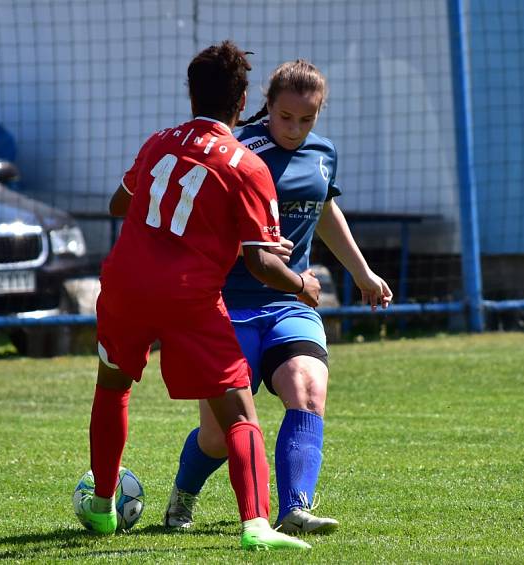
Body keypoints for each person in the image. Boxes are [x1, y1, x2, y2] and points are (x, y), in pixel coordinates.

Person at [79, 41, 321, 551]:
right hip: (189, 295)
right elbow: (260, 263)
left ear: (191, 94)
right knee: (238, 414)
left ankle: (101, 508)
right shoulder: (247, 165)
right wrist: (302, 283)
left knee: (113, 388)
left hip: (125, 284)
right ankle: (256, 525)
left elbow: (118, 205)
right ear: (242, 104)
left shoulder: (158, 143)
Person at [163, 59, 393, 534]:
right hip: (226, 306)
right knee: (219, 435)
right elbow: (200, 217)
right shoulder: (239, 151)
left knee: (307, 391)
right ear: (265, 105)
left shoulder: (323, 153)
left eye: (307, 119)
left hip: (291, 302)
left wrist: (363, 272)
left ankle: (294, 510)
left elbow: (324, 210)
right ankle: (183, 496)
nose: (295, 129)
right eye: (286, 117)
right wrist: (250, 241)